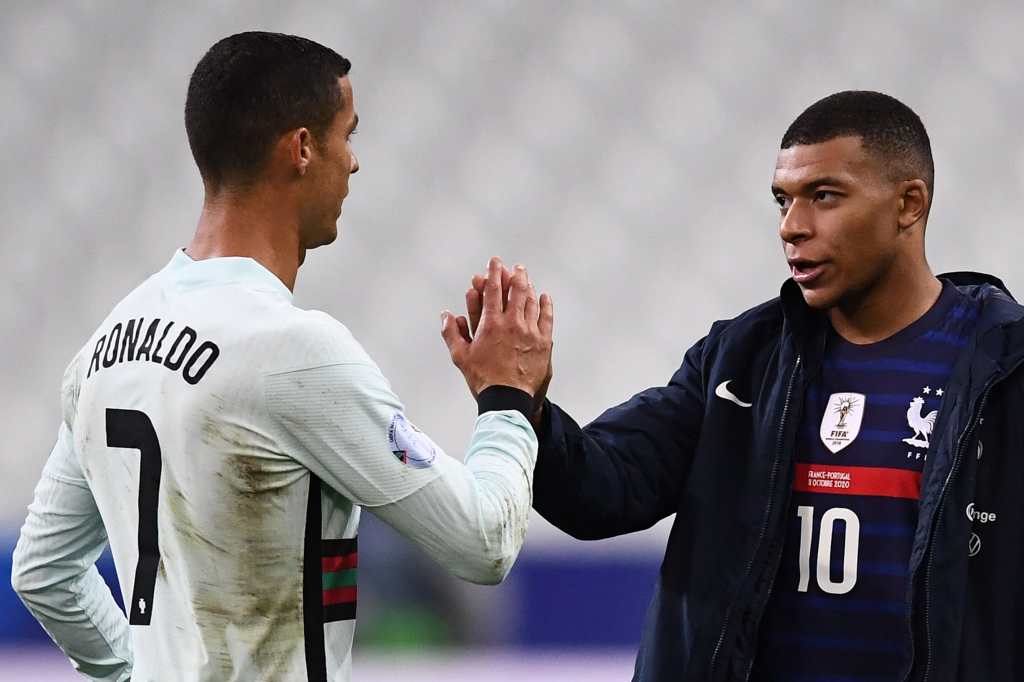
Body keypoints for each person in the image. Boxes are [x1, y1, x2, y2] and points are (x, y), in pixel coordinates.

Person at [11, 31, 553, 681]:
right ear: (301, 149)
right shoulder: (294, 353)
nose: (354, 162)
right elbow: (484, 542)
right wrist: (508, 397)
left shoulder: (105, 347)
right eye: (348, 135)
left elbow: (44, 572)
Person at [462, 90, 1022, 681]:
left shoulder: (1003, 368)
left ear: (909, 204)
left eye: (824, 196)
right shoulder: (742, 359)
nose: (791, 227)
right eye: (783, 200)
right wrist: (520, 403)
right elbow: (603, 491)